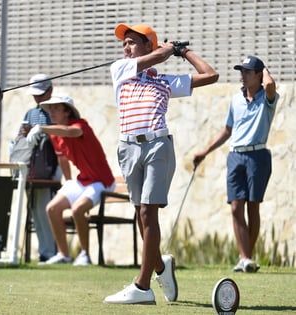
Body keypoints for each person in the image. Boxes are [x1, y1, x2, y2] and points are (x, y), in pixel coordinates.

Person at [104, 24, 219, 305]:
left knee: (147, 212)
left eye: (132, 42)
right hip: (128, 147)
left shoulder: (164, 81)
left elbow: (211, 75)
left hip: (157, 145)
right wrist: (165, 51)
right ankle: (160, 267)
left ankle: (142, 287)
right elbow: (153, 59)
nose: (126, 48)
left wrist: (183, 51)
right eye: (125, 43)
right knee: (142, 216)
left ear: (148, 46)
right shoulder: (120, 70)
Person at [193, 56, 279, 273]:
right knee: (235, 207)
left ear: (259, 75)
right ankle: (245, 258)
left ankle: (247, 258)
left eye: (248, 71)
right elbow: (227, 130)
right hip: (235, 156)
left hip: (258, 156)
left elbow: (269, 84)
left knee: (253, 206)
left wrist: (264, 69)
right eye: (242, 71)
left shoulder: (268, 98)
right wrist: (205, 151)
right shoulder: (236, 100)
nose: (243, 75)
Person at [26, 95, 115, 266]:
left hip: (102, 182)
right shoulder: (54, 135)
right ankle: (64, 255)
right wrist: (68, 181)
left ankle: (85, 255)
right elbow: (63, 159)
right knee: (52, 208)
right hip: (82, 181)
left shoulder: (81, 125)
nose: (51, 112)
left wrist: (41, 128)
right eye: (49, 109)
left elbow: (70, 132)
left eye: (56, 108)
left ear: (67, 112)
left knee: (77, 210)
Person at [14, 74, 70, 263]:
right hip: (33, 170)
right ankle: (45, 252)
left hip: (52, 168)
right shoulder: (30, 113)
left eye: (40, 94)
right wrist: (22, 135)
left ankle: (53, 252)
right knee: (37, 213)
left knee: (47, 210)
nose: (37, 99)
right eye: (35, 95)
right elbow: (19, 139)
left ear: (50, 90)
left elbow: (62, 140)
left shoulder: (56, 111)